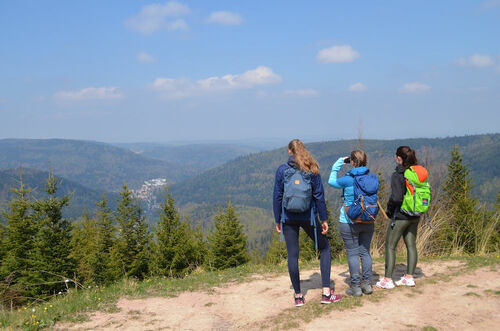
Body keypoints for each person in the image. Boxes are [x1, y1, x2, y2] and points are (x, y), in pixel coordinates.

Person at [273, 139, 342, 307]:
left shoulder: (282, 170)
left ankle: (298, 297)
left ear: (290, 151)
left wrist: (277, 219)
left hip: (288, 218)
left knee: (293, 255)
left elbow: (277, 196)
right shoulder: (312, 170)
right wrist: (324, 219)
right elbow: (319, 196)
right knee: (325, 247)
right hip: (308, 217)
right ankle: (326, 293)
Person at [328, 150, 374, 297]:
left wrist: (338, 163)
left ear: (352, 162)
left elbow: (331, 181)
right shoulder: (371, 179)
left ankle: (355, 287)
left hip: (348, 221)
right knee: (365, 252)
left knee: (353, 253)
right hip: (368, 218)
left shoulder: (348, 179)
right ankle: (366, 284)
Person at [376, 146, 421, 289]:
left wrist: (389, 210)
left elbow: (396, 198)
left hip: (401, 216)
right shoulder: (416, 173)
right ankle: (409, 277)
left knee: (390, 246)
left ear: (399, 158)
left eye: (396, 157)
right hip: (415, 215)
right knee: (411, 245)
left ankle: (388, 279)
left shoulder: (398, 175)